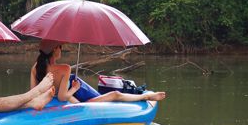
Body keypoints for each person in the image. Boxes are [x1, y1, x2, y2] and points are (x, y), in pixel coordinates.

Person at [30, 39, 166, 103]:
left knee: (102, 93)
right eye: (60, 47)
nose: (61, 49)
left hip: (67, 100)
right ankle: (147, 96)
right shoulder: (64, 68)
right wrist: (75, 88)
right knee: (115, 94)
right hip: (79, 103)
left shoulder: (35, 68)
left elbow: (33, 93)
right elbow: (62, 97)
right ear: (54, 50)